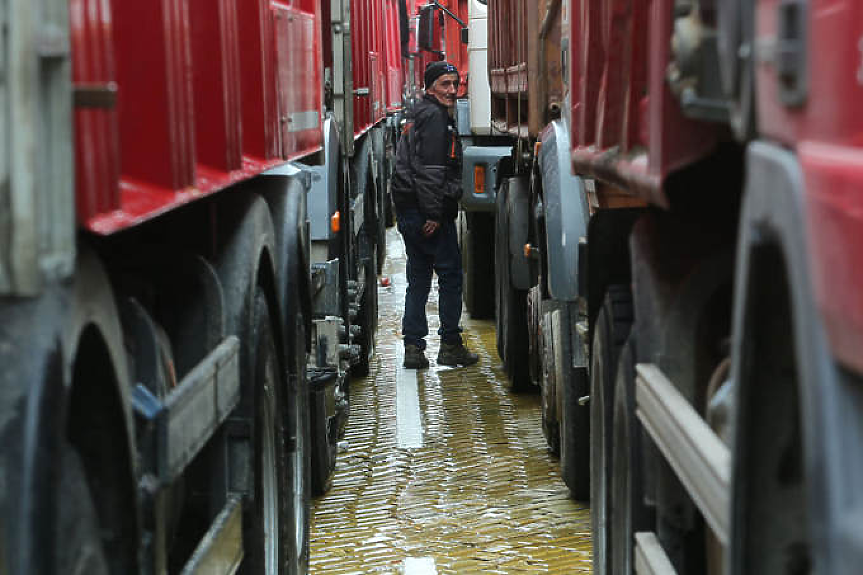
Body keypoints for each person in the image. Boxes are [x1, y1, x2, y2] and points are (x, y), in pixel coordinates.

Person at [391, 61, 479, 369]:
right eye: (444, 84)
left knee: (418, 279)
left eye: (455, 84)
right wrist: (433, 213)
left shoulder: (418, 113)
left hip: (409, 209)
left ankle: (413, 348)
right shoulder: (434, 118)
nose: (452, 91)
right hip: (426, 212)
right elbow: (430, 171)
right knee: (451, 277)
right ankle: (450, 345)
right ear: (430, 86)